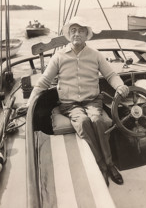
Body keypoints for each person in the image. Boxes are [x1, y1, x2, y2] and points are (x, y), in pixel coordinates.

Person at [24, 16, 129, 186]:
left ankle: (110, 164)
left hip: (93, 101)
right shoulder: (59, 56)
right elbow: (43, 81)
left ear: (86, 34)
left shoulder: (95, 55)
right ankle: (102, 165)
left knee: (97, 120)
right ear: (69, 34)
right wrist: (30, 102)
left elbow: (111, 75)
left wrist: (120, 86)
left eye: (81, 30)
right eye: (73, 30)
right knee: (83, 122)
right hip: (69, 104)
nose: (77, 34)